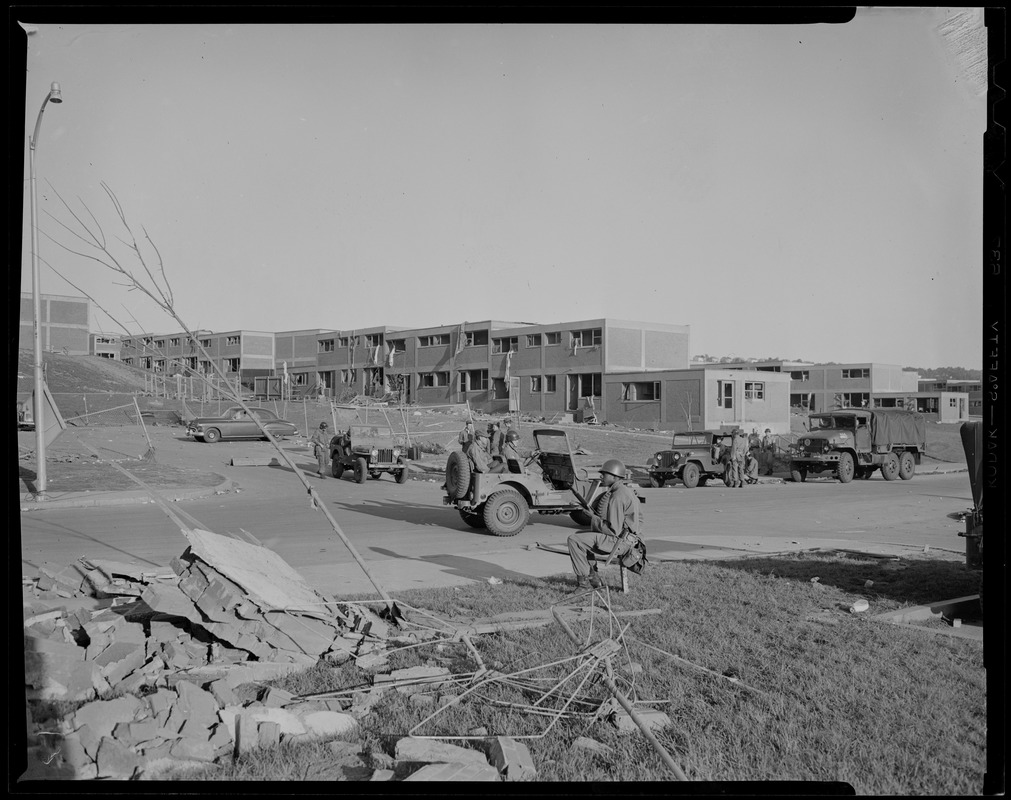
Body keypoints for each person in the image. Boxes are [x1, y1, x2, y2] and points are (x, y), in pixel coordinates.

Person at [566, 459, 644, 590]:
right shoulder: (624, 491)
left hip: (620, 542)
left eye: (605, 474)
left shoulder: (618, 496)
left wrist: (592, 517)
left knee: (574, 540)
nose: (601, 477)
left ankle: (583, 585)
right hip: (628, 539)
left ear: (614, 476)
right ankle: (594, 579)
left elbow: (612, 530)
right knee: (581, 537)